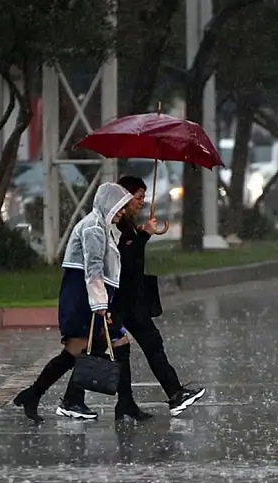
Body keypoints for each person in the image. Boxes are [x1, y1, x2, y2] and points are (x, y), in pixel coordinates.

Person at [61, 175, 206, 419]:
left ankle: (166, 395)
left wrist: (141, 234)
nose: (142, 202)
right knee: (100, 349)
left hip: (132, 300)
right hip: (120, 300)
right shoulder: (114, 225)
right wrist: (144, 236)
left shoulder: (127, 225)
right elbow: (122, 261)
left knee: (147, 345)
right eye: (138, 197)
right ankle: (72, 399)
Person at [12, 182, 139, 423]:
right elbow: (93, 269)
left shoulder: (103, 227)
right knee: (76, 352)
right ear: (107, 205)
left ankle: (117, 402)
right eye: (119, 207)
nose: (122, 212)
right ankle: (43, 396)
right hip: (83, 298)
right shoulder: (93, 228)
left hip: (91, 296)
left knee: (111, 344)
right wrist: (100, 305)